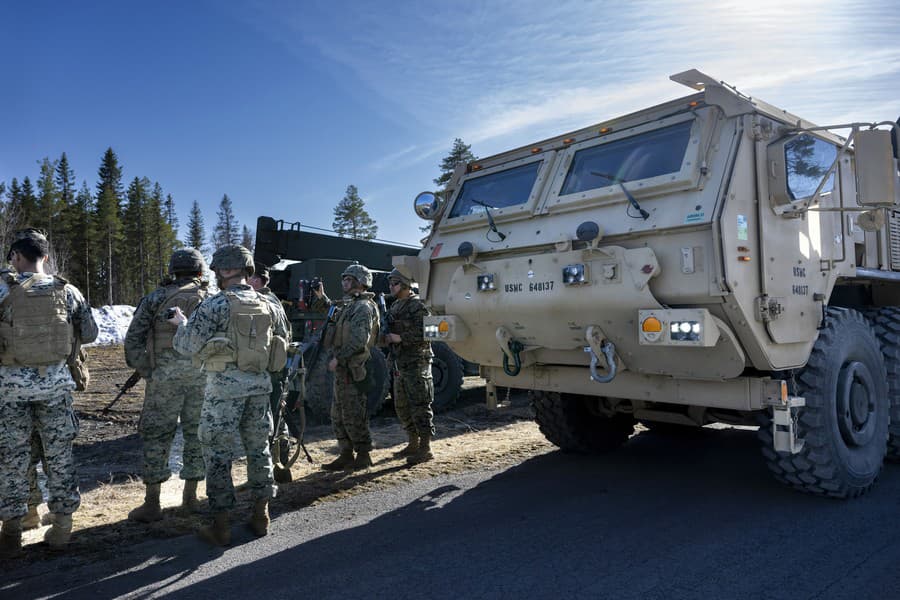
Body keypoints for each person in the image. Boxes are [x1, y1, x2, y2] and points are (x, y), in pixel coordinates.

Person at [171, 245, 289, 546]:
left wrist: (181, 325)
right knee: (258, 449)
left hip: (224, 391)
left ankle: (220, 524)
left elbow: (186, 345)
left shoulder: (215, 305)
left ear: (223, 271)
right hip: (260, 388)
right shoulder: (271, 305)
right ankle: (261, 515)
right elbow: (284, 341)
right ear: (247, 270)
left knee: (218, 453)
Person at [0, 229, 98, 557]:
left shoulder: (2, 288)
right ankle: (62, 528)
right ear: (44, 257)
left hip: (9, 392)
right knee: (59, 457)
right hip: (55, 389)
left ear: (16, 257)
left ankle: (14, 528)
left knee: (12, 459)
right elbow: (90, 332)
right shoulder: (67, 291)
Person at [123, 248, 210, 522]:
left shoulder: (155, 298)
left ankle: (152, 504)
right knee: (197, 436)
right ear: (199, 271)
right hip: (201, 379)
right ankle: (191, 498)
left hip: (164, 380)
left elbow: (133, 342)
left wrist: (150, 371)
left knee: (157, 436)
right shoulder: (210, 299)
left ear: (173, 270)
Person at [311, 263, 380, 471]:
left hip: (354, 368)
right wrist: (321, 297)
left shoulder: (364, 307)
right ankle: (346, 453)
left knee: (353, 413)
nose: (344, 283)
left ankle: (363, 454)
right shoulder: (347, 306)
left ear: (360, 283)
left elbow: (359, 340)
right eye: (344, 279)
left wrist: (338, 359)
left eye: (349, 279)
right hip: (343, 370)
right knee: (338, 414)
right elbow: (332, 313)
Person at [383, 266, 435, 465]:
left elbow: (429, 332)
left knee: (420, 405)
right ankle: (413, 442)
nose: (391, 286)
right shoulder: (396, 306)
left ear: (405, 284)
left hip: (417, 362)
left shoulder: (418, 305)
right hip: (400, 363)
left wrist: (400, 337)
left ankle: (425, 447)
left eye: (394, 283)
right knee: (402, 406)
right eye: (390, 283)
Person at [248, 262, 293, 484]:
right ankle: (281, 467)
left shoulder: (261, 302)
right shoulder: (276, 302)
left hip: (267, 372)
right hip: (278, 369)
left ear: (257, 281)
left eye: (249, 279)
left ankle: (267, 473)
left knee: (263, 423)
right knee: (277, 419)